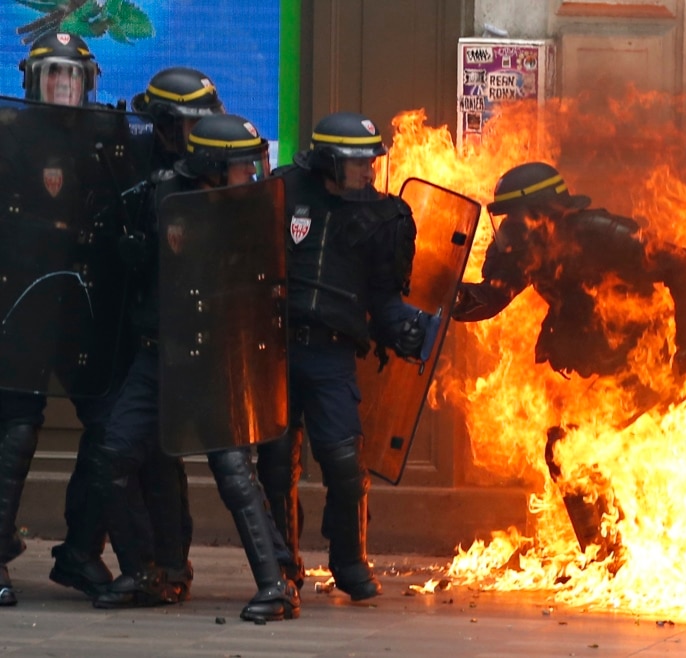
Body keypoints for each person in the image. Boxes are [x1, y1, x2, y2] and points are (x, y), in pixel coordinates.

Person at [88, 114, 300, 621]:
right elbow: (129, 268)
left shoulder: (249, 208)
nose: (250, 176)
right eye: (240, 167)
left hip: (216, 351)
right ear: (211, 165)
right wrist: (135, 255)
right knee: (112, 455)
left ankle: (276, 585)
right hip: (158, 350)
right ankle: (143, 571)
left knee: (232, 471)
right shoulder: (160, 196)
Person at [452, 162, 686, 562]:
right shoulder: (527, 250)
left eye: (514, 216)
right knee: (573, 450)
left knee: (567, 447)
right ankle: (610, 553)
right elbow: (491, 298)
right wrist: (439, 292)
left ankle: (608, 556)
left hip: (645, 363)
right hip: (603, 371)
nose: (507, 227)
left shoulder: (601, 234)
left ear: (541, 211)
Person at [267, 111, 432, 600]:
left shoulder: (384, 217)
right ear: (329, 161)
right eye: (359, 162)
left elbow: (383, 295)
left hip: (332, 354)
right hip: (274, 347)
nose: (369, 170)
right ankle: (281, 563)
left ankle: (350, 560)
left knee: (343, 460)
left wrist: (400, 326)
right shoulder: (280, 193)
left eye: (372, 160)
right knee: (275, 463)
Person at [1, 31, 126, 607]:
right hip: (20, 301)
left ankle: (80, 552)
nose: (63, 84)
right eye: (52, 74)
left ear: (88, 82)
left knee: (111, 424)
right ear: (33, 80)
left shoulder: (109, 137)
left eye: (72, 75)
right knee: (17, 429)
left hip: (85, 307)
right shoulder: (9, 135)